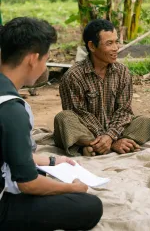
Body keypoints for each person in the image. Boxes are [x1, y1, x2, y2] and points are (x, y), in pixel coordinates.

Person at [0, 17, 102, 230]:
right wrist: (71, 189)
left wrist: (54, 161)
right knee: (89, 206)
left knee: (42, 172)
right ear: (33, 59)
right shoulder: (12, 109)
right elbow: (27, 184)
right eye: (45, 60)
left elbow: (9, 149)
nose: (44, 67)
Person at [54, 19, 150, 156]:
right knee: (64, 119)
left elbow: (124, 111)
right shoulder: (73, 76)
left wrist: (110, 136)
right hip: (86, 132)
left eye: (116, 42)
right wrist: (111, 140)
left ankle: (92, 148)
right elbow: (79, 114)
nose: (116, 48)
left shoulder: (122, 72)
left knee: (145, 122)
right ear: (92, 46)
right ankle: (108, 145)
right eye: (109, 43)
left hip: (113, 132)